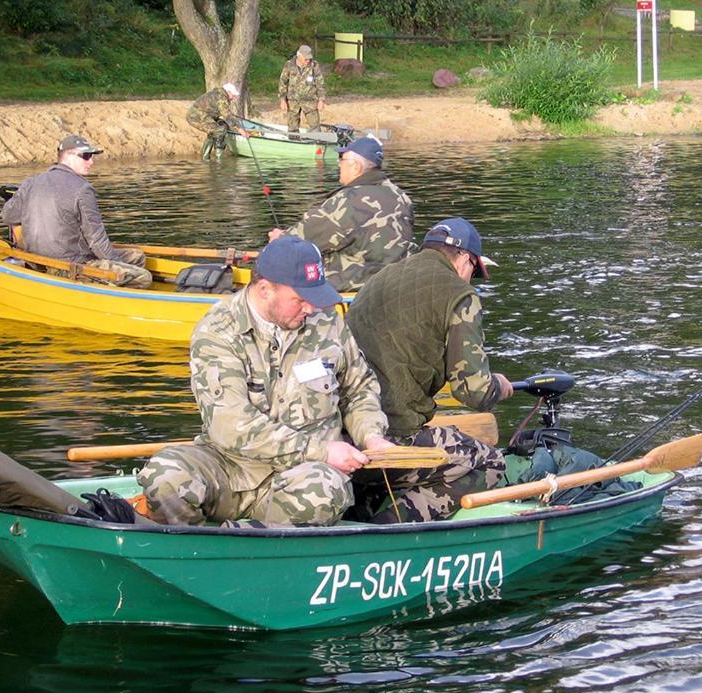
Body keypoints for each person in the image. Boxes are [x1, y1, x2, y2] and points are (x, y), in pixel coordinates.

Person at [136, 236, 394, 527]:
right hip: (230, 468)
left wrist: (371, 435)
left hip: (303, 474)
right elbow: (229, 425)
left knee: (322, 491)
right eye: (299, 299)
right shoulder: (218, 331)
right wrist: (321, 450)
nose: (310, 308)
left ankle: (243, 543)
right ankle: (196, 551)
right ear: (264, 290)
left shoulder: (327, 322)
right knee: (165, 476)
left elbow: (359, 388)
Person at [346, 217, 514, 524]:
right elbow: (473, 391)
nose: (470, 280)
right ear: (465, 258)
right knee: (490, 463)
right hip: (394, 436)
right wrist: (497, 386)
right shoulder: (459, 296)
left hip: (346, 434)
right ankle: (393, 524)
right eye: (474, 271)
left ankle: (358, 510)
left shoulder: (379, 279)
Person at [1, 134, 152, 289]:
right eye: (86, 156)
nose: (91, 161)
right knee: (143, 277)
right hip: (71, 267)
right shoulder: (82, 189)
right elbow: (96, 240)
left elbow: (8, 217)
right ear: (68, 156)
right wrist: (115, 263)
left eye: (92, 156)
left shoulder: (30, 183)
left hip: (37, 262)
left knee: (138, 257)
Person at [266, 136, 415, 292]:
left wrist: (280, 238)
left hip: (357, 285)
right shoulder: (400, 196)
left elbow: (306, 237)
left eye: (342, 159)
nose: (338, 164)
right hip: (398, 279)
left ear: (356, 167)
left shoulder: (347, 200)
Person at [186, 82, 248, 159]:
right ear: (228, 92)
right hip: (196, 117)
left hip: (205, 115)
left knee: (222, 126)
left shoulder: (220, 95)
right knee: (219, 130)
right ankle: (218, 159)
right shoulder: (221, 97)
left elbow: (224, 113)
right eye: (233, 95)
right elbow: (227, 115)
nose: (233, 98)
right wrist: (240, 129)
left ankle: (205, 157)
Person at [279, 44, 326, 133]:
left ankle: (315, 143)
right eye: (306, 59)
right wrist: (282, 100)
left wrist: (321, 100)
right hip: (293, 102)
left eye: (309, 58)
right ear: (299, 56)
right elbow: (283, 82)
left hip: (310, 101)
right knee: (292, 128)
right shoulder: (289, 65)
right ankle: (294, 143)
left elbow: (320, 83)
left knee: (315, 127)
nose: (308, 61)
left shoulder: (314, 65)